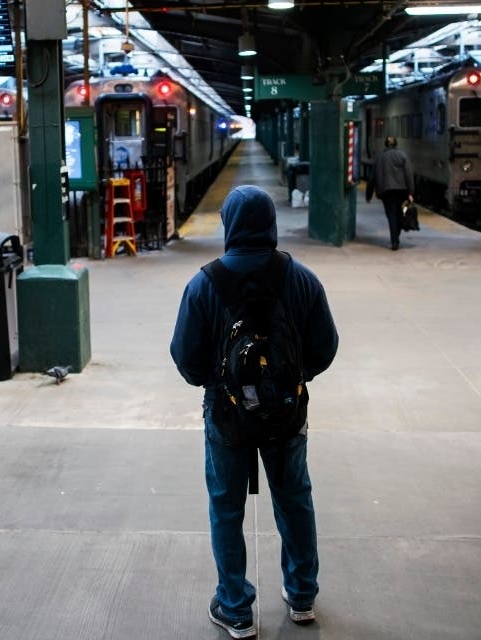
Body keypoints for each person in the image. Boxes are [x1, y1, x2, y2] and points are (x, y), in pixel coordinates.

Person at [170, 185, 339, 639]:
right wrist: (292, 378)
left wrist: (219, 386)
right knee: (294, 499)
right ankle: (301, 596)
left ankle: (235, 608)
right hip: (286, 415)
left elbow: (185, 357)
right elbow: (326, 347)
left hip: (227, 418)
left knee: (227, 507)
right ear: (270, 224)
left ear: (229, 224)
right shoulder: (301, 278)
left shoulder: (204, 283)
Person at [366, 135, 414, 250]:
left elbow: (372, 178)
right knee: (400, 214)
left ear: (385, 144)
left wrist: (369, 194)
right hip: (402, 191)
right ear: (396, 144)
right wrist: (411, 192)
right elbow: (409, 175)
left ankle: (394, 241)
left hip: (386, 192)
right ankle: (396, 237)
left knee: (391, 215)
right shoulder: (403, 156)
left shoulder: (379, 158)